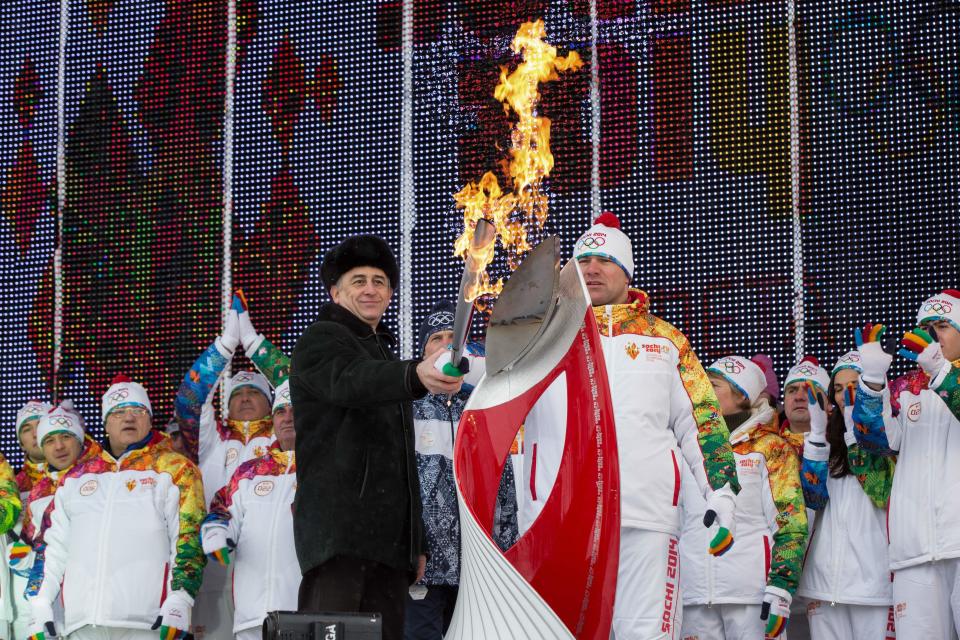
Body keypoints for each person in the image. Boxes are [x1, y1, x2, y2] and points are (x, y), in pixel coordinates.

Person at [522, 213, 741, 640]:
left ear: (627, 272)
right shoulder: (540, 336)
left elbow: (703, 423)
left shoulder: (665, 340)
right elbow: (496, 395)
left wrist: (723, 494)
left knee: (646, 633)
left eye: (605, 260)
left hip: (645, 516)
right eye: (583, 260)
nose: (591, 268)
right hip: (561, 516)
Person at [290, 234, 464, 640]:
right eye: (358, 280)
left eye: (379, 281)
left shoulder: (382, 353)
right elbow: (350, 382)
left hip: (389, 548)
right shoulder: (322, 340)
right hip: (341, 537)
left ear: (389, 294)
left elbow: (405, 460)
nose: (371, 288)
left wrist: (414, 542)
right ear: (335, 292)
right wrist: (413, 374)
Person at [25, 374, 206, 640]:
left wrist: (180, 599)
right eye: (119, 412)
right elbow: (51, 549)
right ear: (106, 423)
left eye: (137, 411)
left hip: (149, 624)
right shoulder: (75, 479)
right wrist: (39, 606)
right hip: (83, 625)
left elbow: (188, 540)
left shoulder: (176, 470)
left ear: (149, 418)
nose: (129, 418)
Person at [175, 291, 289, 640]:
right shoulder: (211, 439)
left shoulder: (284, 438)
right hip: (214, 558)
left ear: (269, 401)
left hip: (266, 559)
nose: (243, 398)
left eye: (253, 393)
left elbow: (299, 387)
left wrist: (252, 343)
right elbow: (190, 401)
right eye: (237, 395)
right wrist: (225, 346)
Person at [404, 300, 517, 640]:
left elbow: (504, 491)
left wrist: (507, 555)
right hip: (421, 571)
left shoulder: (484, 411)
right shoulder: (404, 410)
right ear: (423, 353)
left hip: (477, 571)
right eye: (436, 338)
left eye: (454, 337)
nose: (446, 346)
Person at [852, 289, 960, 640]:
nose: (932, 335)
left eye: (942, 325)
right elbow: (875, 441)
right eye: (925, 327)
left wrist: (941, 372)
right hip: (913, 550)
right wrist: (871, 381)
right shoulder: (905, 390)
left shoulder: (942, 378)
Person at [680, 355, 807, 639]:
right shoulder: (687, 445)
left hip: (751, 596)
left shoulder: (769, 448)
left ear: (742, 396)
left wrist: (781, 587)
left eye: (713, 386)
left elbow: (790, 523)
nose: (702, 393)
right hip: (695, 595)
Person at [796, 350, 896, 639]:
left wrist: (855, 431)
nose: (844, 396)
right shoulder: (823, 439)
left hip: (872, 585)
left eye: (853, 385)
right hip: (823, 584)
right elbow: (813, 500)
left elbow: (880, 491)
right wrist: (816, 437)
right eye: (838, 389)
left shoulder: (892, 430)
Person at [200, 379, 299, 640]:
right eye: (281, 411)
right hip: (251, 618)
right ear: (273, 419)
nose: (288, 418)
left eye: (295, 410)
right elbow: (222, 507)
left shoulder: (324, 467)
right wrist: (216, 534)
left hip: (303, 613)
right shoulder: (249, 472)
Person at [11, 402, 104, 636]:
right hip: (40, 598)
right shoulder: (19, 486)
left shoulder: (103, 472)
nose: (34, 433)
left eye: (39, 426)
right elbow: (32, 543)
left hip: (93, 597)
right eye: (27, 429)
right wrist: (21, 557)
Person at [779, 356, 832, 453]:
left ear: (829, 403)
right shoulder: (764, 448)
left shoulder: (845, 446)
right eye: (792, 390)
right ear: (784, 401)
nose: (799, 397)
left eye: (809, 391)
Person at [15, 401, 52, 499]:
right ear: (21, 444)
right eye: (27, 430)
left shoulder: (85, 474)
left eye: (41, 425)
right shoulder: (14, 488)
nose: (36, 434)